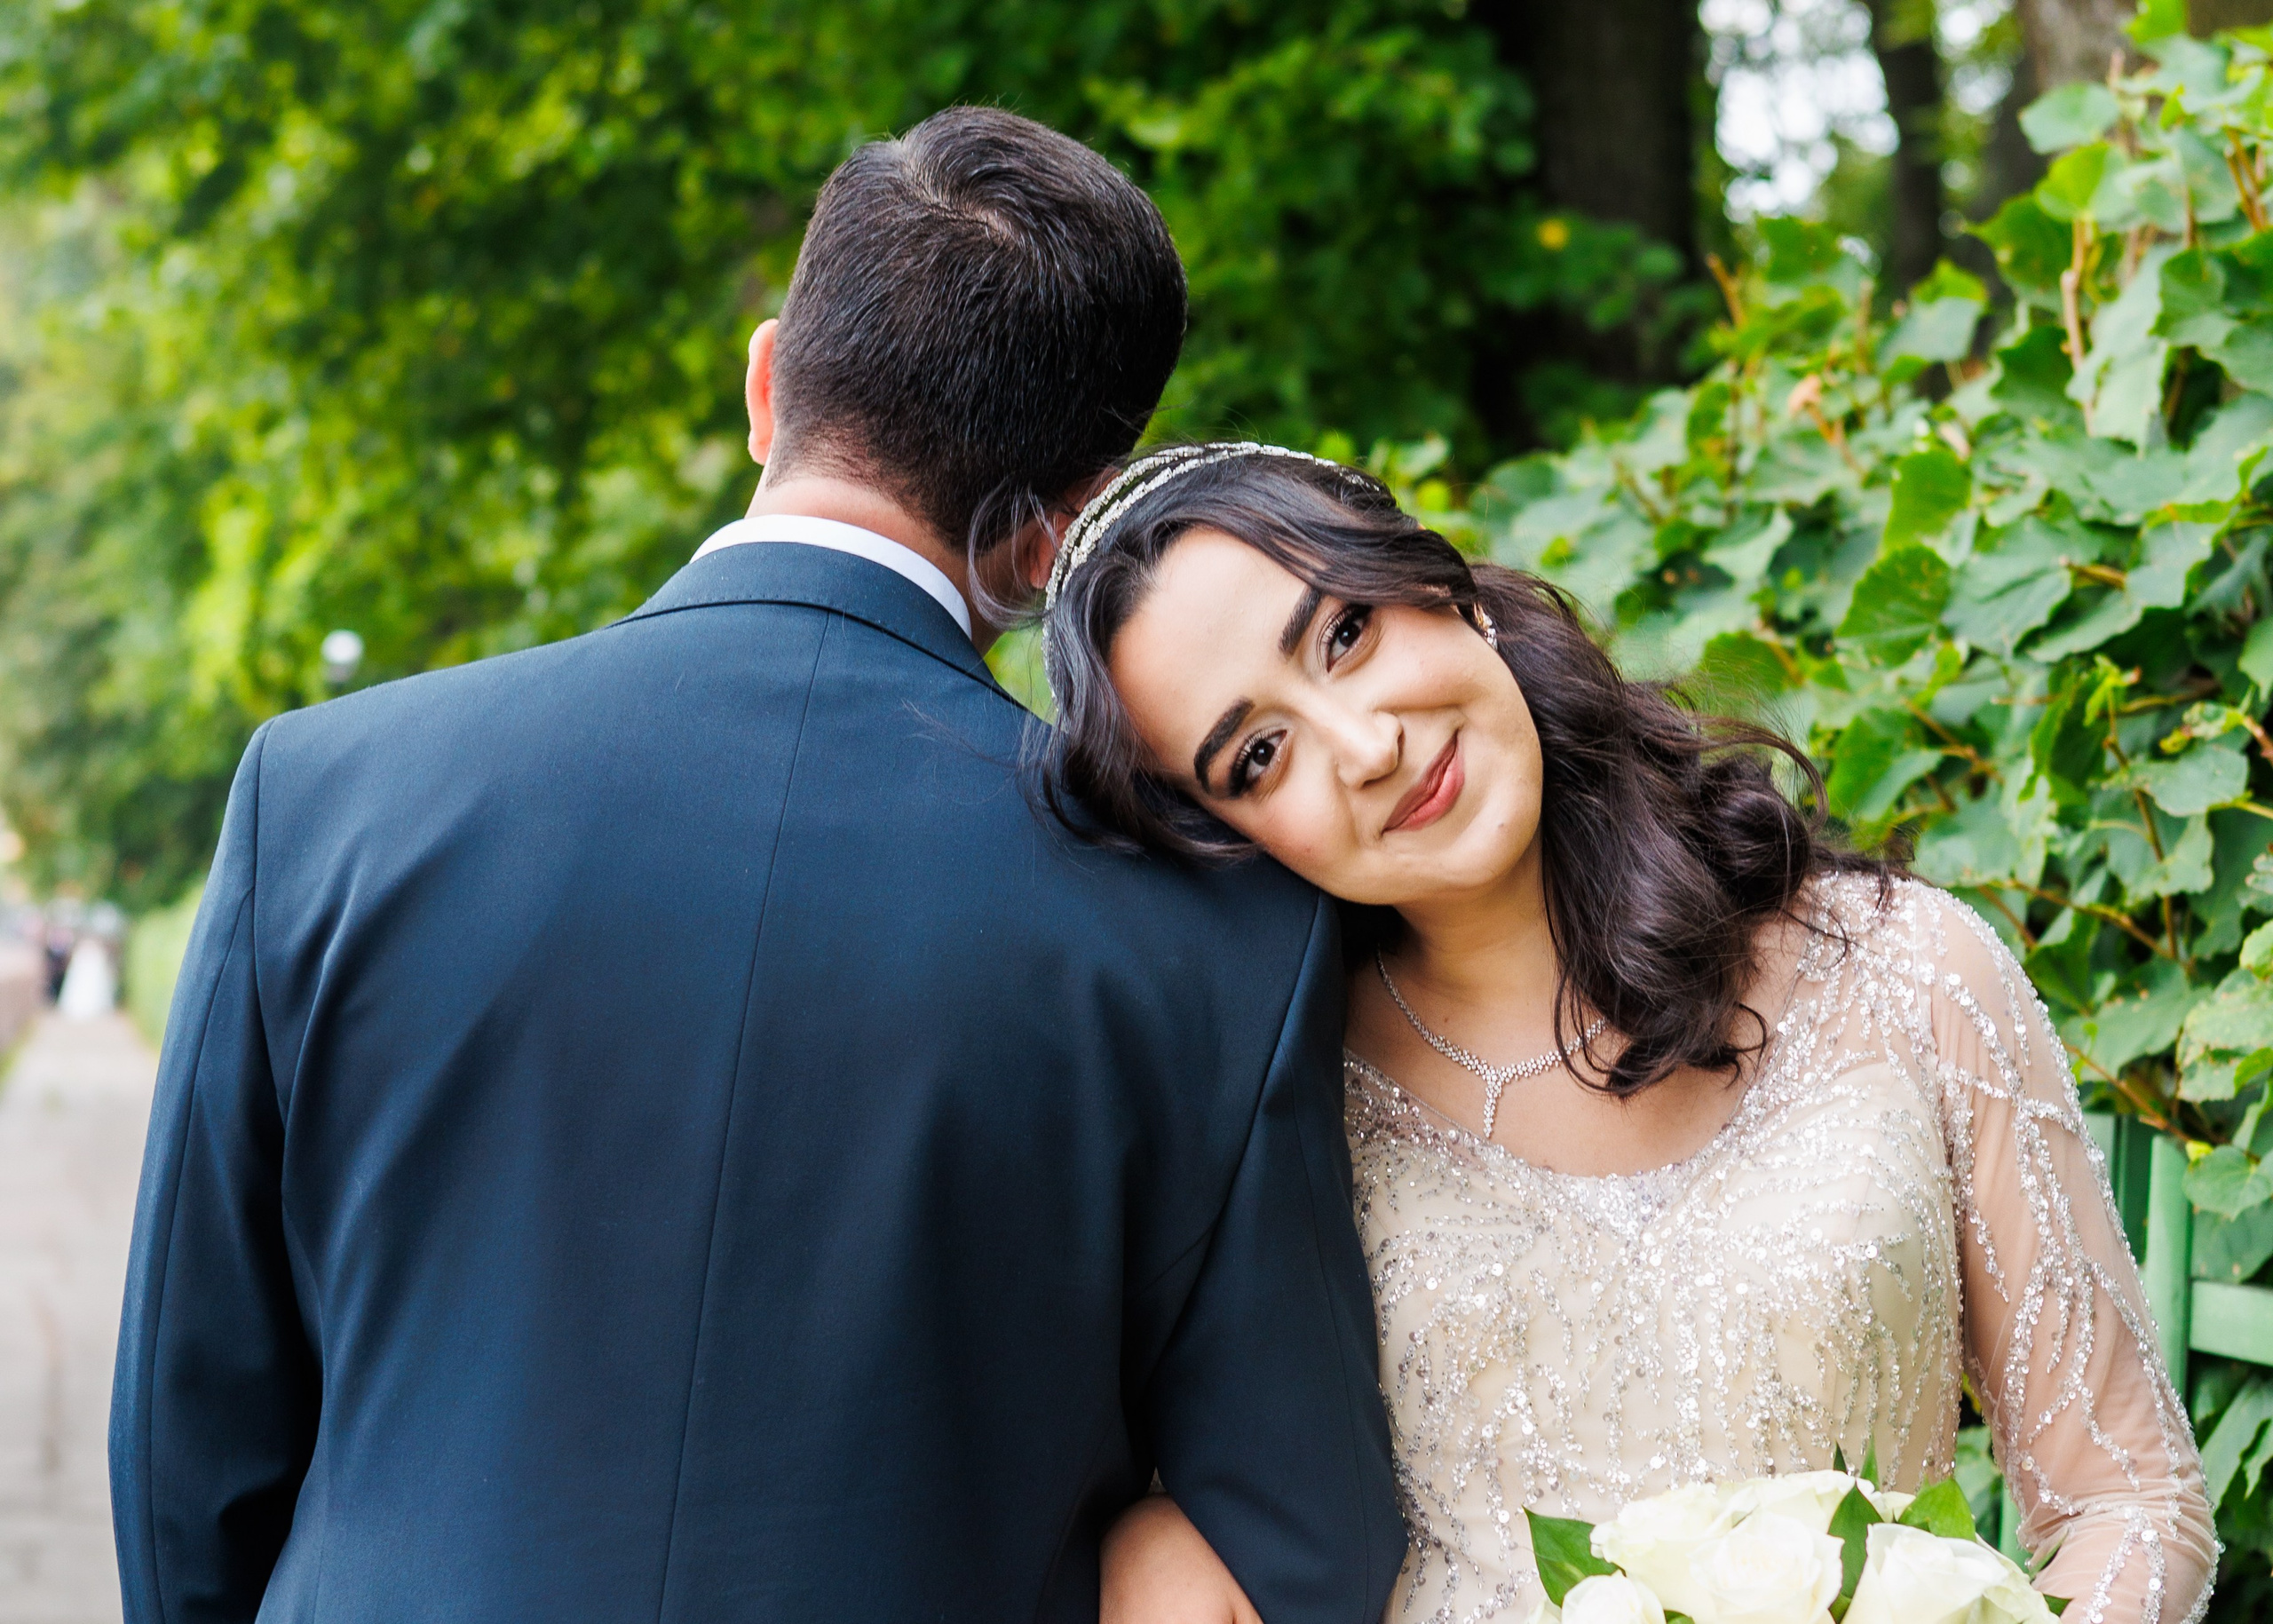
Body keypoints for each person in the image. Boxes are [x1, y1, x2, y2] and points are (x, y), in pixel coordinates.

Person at [111, 118, 1403, 1622]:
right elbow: (1302, 1539)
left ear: (768, 378)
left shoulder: (327, 797)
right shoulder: (1220, 925)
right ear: (1065, 526)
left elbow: (188, 1456)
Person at [1043, 444, 2219, 1624]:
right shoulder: (1263, 1124)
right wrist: (1150, 1533)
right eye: (1257, 755)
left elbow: (2130, 1502)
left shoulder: (1914, 973)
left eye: (1344, 634)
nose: (1367, 746)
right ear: (1230, 837)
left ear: (1442, 586)